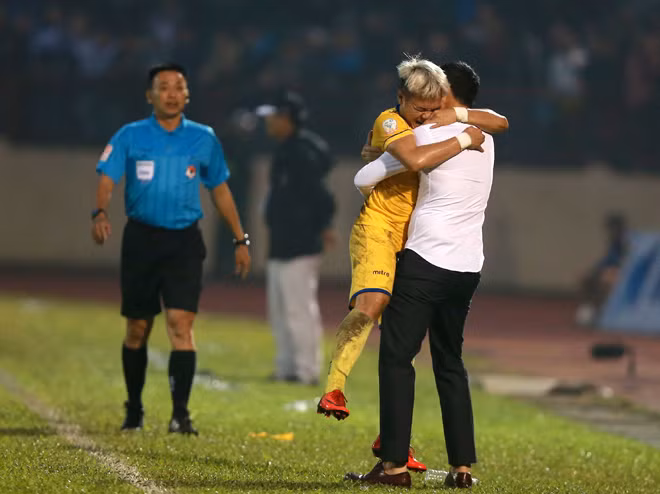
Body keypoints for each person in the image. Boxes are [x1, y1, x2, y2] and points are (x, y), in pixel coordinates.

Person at [317, 56, 507, 470]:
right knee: (447, 361)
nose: (426, 109)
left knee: (397, 355)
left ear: (444, 95)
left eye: (433, 99)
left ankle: (394, 461)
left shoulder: (428, 133)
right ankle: (461, 468)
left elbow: (365, 177)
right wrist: (463, 132)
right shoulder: (486, 137)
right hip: (463, 263)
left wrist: (383, 159)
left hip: (423, 255)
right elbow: (500, 121)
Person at [91, 62, 251, 435]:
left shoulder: (203, 138)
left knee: (181, 325)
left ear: (188, 95)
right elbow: (107, 177)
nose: (172, 93)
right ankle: (134, 409)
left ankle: (180, 415)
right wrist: (99, 212)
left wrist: (240, 239)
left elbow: (220, 190)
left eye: (179, 86)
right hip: (141, 241)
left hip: (184, 242)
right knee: (137, 328)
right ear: (150, 96)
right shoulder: (130, 135)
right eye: (164, 87)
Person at [256, 91, 336, 385]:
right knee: (280, 309)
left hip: (300, 242)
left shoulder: (301, 152)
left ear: (286, 118)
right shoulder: (287, 149)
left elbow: (322, 195)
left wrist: (324, 225)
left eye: (273, 116)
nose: (269, 122)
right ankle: (287, 367)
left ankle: (305, 370)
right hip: (282, 240)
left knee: (298, 308)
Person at [576, 213, 629, 326]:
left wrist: (614, 270)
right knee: (586, 278)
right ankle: (587, 310)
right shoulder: (613, 242)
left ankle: (603, 312)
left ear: (620, 227)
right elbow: (607, 260)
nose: (611, 231)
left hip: (625, 274)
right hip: (611, 271)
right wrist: (593, 270)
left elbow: (628, 262)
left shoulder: (628, 241)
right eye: (610, 228)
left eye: (614, 227)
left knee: (606, 280)